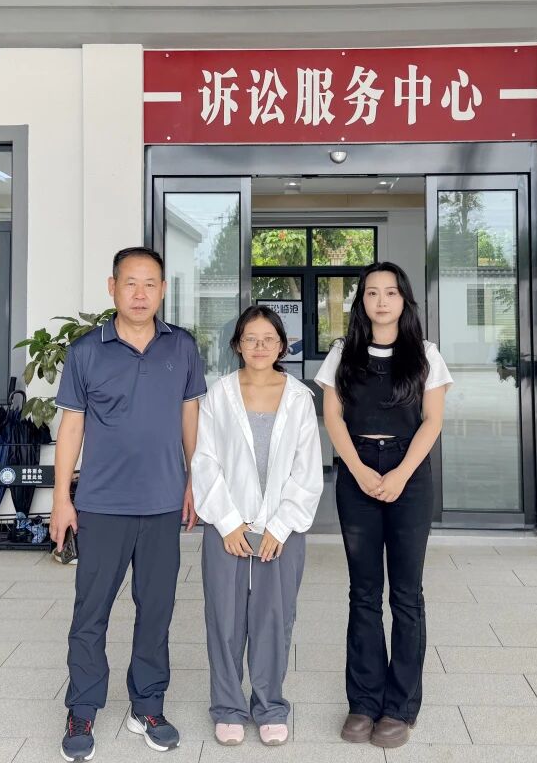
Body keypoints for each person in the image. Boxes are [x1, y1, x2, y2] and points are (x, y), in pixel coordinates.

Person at [50, 246, 207, 762]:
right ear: (112, 287)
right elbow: (72, 426)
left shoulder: (181, 346)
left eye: (150, 283)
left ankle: (148, 705)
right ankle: (82, 708)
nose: (140, 294)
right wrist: (62, 499)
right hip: (102, 504)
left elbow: (189, 416)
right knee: (90, 612)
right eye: (130, 283)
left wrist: (195, 480)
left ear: (163, 290)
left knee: (156, 610)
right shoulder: (86, 351)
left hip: (163, 503)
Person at [315, 262, 452, 750]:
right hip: (357, 470)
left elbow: (432, 421)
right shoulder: (342, 353)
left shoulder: (425, 354)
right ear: (362, 302)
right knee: (364, 592)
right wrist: (357, 469)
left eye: (390, 292)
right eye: (371, 293)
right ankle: (363, 702)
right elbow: (333, 418)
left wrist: (399, 474)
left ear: (403, 300)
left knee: (407, 595)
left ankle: (400, 706)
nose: (380, 301)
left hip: (408, 474)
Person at [191, 306, 323, 748]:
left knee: (274, 618)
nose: (260, 346)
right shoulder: (220, 394)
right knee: (224, 619)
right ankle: (228, 707)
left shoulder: (299, 398)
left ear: (282, 345)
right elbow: (205, 462)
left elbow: (307, 471)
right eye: (251, 338)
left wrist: (280, 527)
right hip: (226, 526)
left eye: (269, 339)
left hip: (281, 531)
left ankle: (269, 706)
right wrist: (228, 523)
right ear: (237, 345)